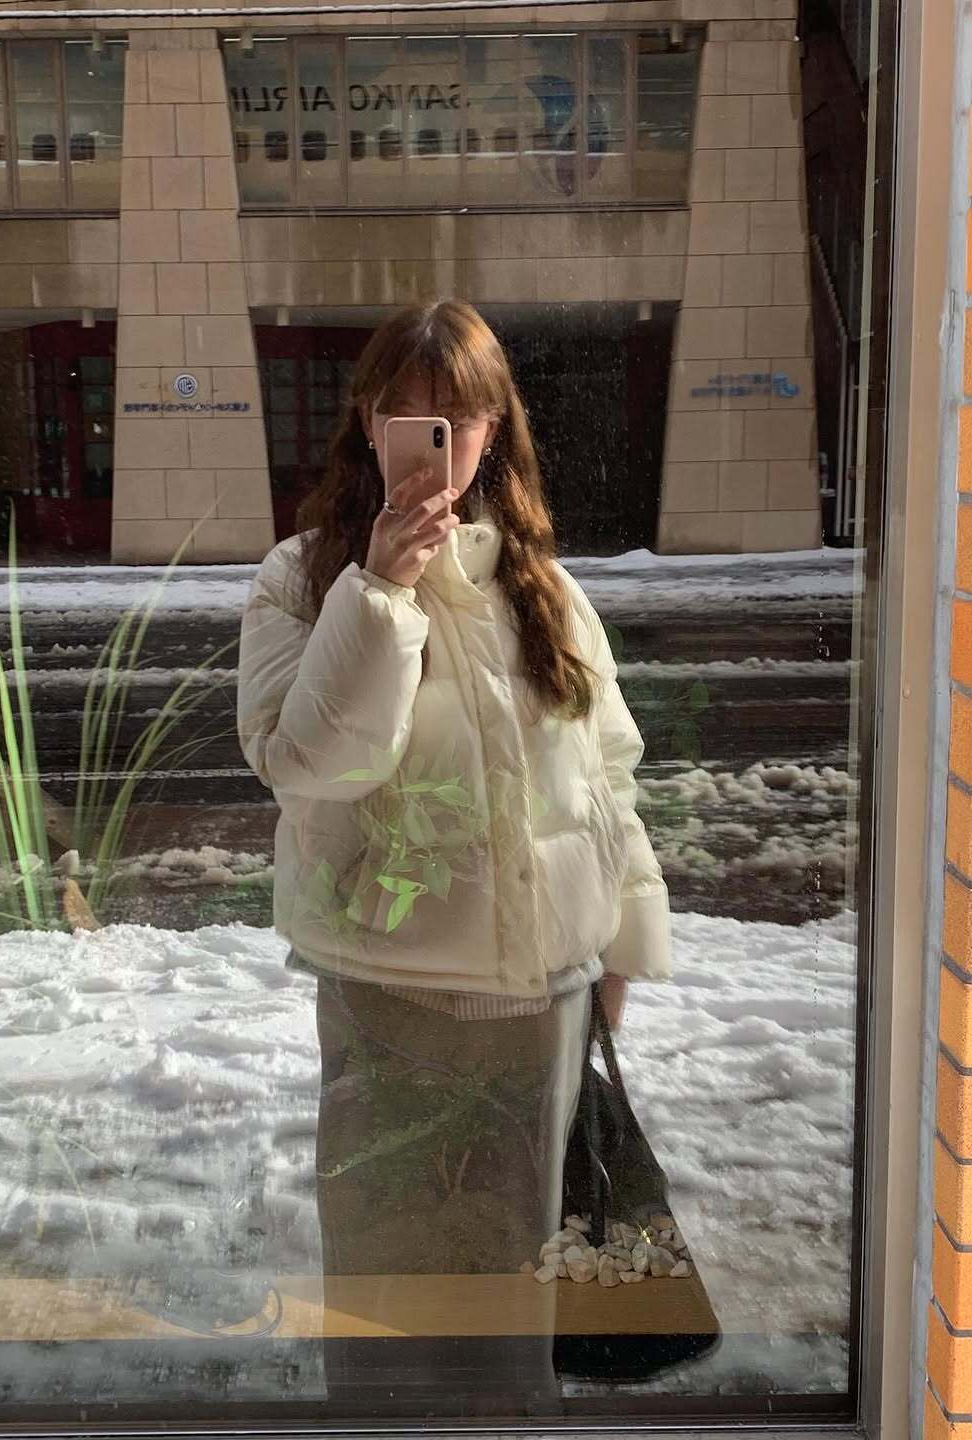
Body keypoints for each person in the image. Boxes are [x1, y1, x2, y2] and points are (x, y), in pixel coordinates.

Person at [236, 299, 671, 1411]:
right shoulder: (302, 578)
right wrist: (380, 593)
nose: (437, 441)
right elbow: (310, 766)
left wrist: (622, 948)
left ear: (493, 430)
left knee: (517, 1294)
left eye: (460, 417)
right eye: (409, 414)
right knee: (392, 1295)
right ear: (368, 422)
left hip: (543, 1005)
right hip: (390, 1000)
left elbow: (608, 777)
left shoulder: (542, 587)